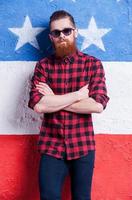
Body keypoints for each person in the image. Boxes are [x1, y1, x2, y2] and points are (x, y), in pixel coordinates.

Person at [28, 10, 109, 200]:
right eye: (56, 33)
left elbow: (97, 105)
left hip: (83, 147)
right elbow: (39, 105)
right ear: (51, 37)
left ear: (75, 32)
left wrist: (54, 98)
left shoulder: (92, 65)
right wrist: (78, 95)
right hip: (51, 147)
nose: (62, 36)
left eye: (66, 31)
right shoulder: (43, 66)